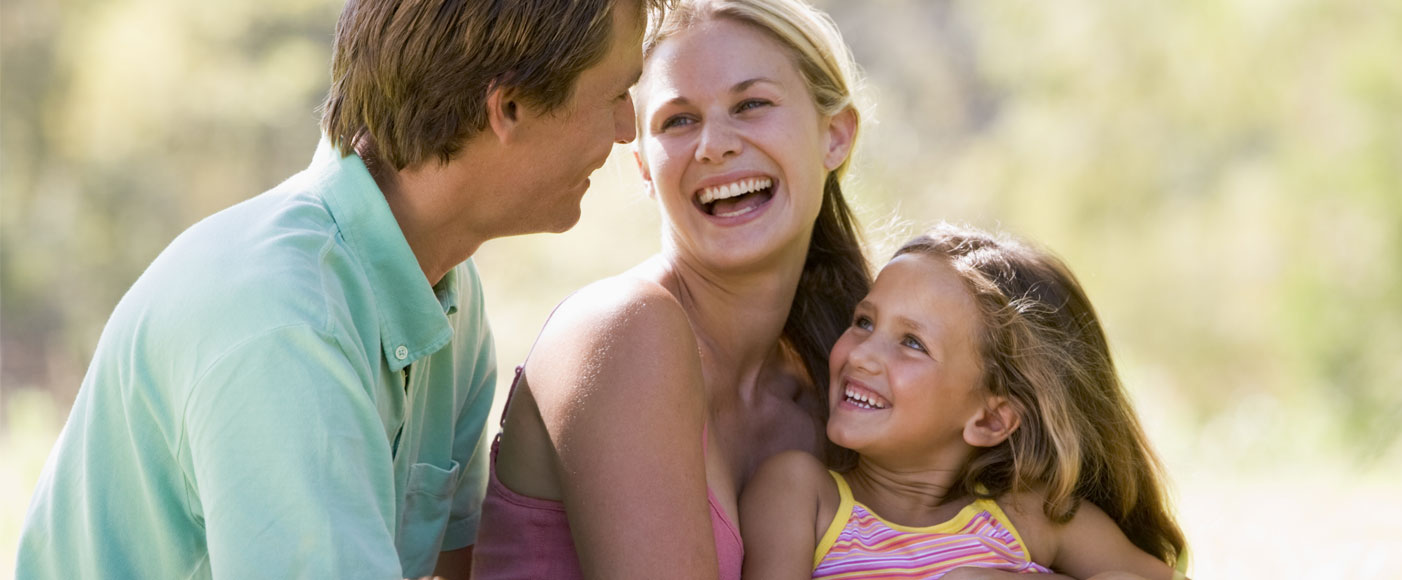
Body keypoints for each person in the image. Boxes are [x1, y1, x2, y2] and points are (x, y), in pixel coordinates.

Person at [14, 0, 656, 577]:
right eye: (615, 94)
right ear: (508, 106)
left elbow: (452, 569)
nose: (629, 128)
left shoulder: (451, 293)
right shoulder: (283, 325)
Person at [469, 0, 871, 578]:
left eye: (751, 104)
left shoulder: (841, 388)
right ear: (643, 169)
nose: (715, 145)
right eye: (678, 120)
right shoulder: (624, 330)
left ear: (834, 135)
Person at [739, 225, 1190, 580]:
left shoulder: (1030, 516)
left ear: (991, 419)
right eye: (863, 322)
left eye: (912, 343)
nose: (862, 355)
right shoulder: (802, 495)